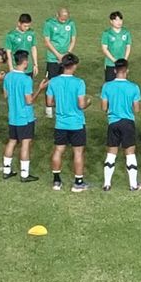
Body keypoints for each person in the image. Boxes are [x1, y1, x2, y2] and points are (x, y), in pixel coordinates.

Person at [45, 53, 91, 192]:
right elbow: (81, 104)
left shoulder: (53, 81)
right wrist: (89, 102)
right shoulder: (79, 82)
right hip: (76, 123)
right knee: (78, 152)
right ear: (74, 65)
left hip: (60, 123)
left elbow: (49, 102)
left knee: (58, 150)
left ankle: (56, 181)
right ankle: (78, 182)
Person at [2, 51, 48, 183]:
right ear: (25, 62)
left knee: (12, 141)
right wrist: (40, 89)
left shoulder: (8, 76)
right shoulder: (26, 79)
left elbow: (5, 95)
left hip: (13, 116)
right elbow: (29, 101)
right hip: (25, 117)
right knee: (25, 144)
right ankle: (24, 174)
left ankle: (6, 170)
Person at [101, 59, 141, 191]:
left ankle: (107, 184)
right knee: (130, 154)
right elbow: (136, 109)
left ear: (114, 70)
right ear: (127, 71)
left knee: (111, 153)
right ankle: (133, 184)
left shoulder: (107, 86)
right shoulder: (134, 87)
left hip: (113, 123)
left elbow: (103, 107)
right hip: (128, 123)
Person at [43, 7, 77, 118]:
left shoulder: (71, 24)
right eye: (62, 18)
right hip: (53, 58)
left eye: (65, 18)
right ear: (57, 15)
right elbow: (47, 42)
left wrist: (67, 54)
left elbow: (73, 39)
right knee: (51, 81)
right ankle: (49, 108)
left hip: (65, 57)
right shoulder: (49, 23)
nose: (64, 20)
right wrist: (58, 55)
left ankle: (62, 106)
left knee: (65, 81)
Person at [101, 11, 132, 82]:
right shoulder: (106, 33)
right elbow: (104, 49)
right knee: (110, 83)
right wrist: (114, 60)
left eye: (120, 19)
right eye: (116, 20)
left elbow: (128, 47)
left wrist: (125, 59)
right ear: (111, 21)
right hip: (110, 63)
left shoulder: (126, 32)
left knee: (122, 83)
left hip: (122, 63)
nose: (119, 22)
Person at [4, 13, 38, 77]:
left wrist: (35, 64)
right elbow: (8, 52)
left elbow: (33, 48)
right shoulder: (11, 35)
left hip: (29, 67)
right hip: (16, 67)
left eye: (28, 26)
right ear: (19, 23)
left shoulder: (31, 33)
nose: (27, 28)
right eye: (25, 26)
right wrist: (11, 67)